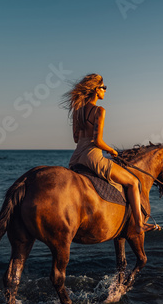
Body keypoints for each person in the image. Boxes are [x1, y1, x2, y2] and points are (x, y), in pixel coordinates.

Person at [62, 73, 156, 233]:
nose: (105, 90)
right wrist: (112, 151)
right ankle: (139, 225)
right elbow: (98, 141)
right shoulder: (99, 111)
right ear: (96, 89)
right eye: (104, 87)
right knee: (133, 182)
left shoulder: (78, 111)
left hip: (76, 156)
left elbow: (76, 138)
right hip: (92, 156)